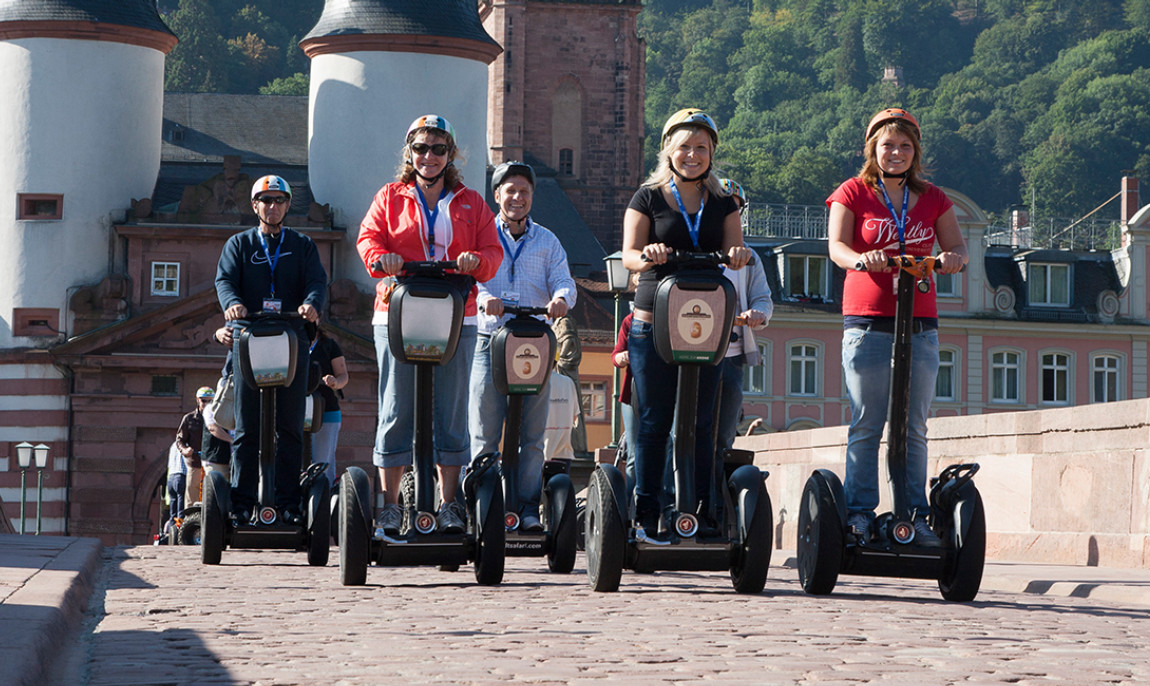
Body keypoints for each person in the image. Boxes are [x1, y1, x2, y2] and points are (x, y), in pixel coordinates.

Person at [826, 107, 968, 546]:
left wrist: (952, 259)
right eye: (888, 144)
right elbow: (836, 247)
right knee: (868, 421)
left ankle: (914, 515)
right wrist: (860, 259)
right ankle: (859, 513)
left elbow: (957, 246)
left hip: (920, 323)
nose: (896, 152)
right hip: (868, 321)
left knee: (914, 425)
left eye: (905, 146)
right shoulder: (852, 192)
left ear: (915, 152)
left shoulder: (932, 197)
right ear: (873, 148)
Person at [356, 114, 501, 535]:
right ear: (410, 153)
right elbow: (369, 238)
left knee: (451, 410)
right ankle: (388, 506)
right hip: (398, 310)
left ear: (451, 154)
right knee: (397, 406)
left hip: (457, 311)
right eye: (421, 148)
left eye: (439, 149)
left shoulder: (472, 202)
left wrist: (478, 261)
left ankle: (450, 504)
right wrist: (381, 259)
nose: (429, 156)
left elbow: (492, 252)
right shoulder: (390, 196)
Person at [620, 108, 752, 537]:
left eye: (701, 148)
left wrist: (737, 256)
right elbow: (628, 256)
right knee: (655, 420)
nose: (693, 155)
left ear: (712, 153)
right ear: (668, 151)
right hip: (654, 321)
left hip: (706, 322)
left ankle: (697, 512)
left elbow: (737, 251)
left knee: (700, 421)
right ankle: (647, 513)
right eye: (685, 147)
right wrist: (649, 256)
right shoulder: (648, 198)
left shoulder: (724, 202)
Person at [215, 174, 328, 526]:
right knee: (247, 428)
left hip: (291, 338)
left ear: (287, 205)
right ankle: (242, 503)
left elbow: (316, 281)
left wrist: (311, 304)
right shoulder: (239, 244)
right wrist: (232, 305)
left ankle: (289, 503)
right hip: (250, 339)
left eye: (279, 200)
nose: (273, 206)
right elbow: (225, 280)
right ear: (255, 206)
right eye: (266, 201)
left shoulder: (302, 244)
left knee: (291, 427)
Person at [469, 161, 576, 532]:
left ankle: (528, 509)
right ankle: (481, 508)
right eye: (510, 191)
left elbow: (564, 280)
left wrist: (561, 298)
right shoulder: (483, 237)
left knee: (532, 437)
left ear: (532, 197)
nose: (517, 197)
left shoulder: (547, 240)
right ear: (497, 195)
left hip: (533, 343)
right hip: (490, 341)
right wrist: (485, 298)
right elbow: (473, 278)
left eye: (524, 192)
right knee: (484, 432)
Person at [714, 178, 773, 453]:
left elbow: (763, 297)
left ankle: (717, 484)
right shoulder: (696, 249)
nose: (730, 215)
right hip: (694, 350)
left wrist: (758, 312)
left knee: (725, 431)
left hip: (732, 353)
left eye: (736, 209)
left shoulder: (750, 258)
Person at [309, 327, 348, 486]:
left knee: (323, 462)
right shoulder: (292, 339)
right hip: (296, 409)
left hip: (326, 410)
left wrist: (335, 382)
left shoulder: (329, 345)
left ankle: (323, 498)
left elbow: (343, 375)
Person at [551, 314, 586, 455]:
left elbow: (569, 340)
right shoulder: (557, 321)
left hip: (564, 369)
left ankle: (574, 443)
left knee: (567, 407)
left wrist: (557, 359)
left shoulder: (563, 321)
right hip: (562, 369)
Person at [175, 386, 213, 506]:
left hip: (213, 463)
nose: (206, 404)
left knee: (212, 495)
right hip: (195, 463)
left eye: (210, 401)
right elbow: (179, 439)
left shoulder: (217, 418)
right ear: (197, 400)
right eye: (203, 400)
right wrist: (185, 450)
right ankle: (190, 521)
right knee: (191, 497)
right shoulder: (189, 418)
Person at [543, 369, 579, 462]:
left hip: (539, 452)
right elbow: (575, 417)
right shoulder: (568, 382)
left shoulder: (536, 381)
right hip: (564, 452)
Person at [165, 440, 186, 534]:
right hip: (180, 475)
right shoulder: (185, 445)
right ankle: (180, 530)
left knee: (172, 510)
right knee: (181, 509)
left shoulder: (173, 445)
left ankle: (172, 530)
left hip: (171, 477)